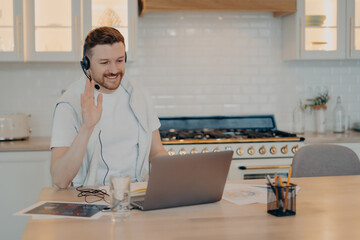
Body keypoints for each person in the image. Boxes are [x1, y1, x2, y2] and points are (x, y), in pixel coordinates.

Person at [50, 26, 168, 189]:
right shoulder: (68, 105)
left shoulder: (139, 94)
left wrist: (175, 178)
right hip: (89, 199)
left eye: (119, 60)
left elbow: (156, 152)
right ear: (86, 64)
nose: (114, 70)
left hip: (138, 195)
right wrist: (87, 127)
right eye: (104, 63)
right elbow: (59, 179)